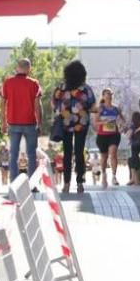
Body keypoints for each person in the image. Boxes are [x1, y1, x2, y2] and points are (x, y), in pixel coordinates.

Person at [52, 60, 96, 194]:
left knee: (67, 153)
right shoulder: (86, 89)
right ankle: (80, 183)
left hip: (65, 123)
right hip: (81, 124)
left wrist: (62, 111)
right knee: (79, 152)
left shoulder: (61, 87)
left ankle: (66, 184)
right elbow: (92, 105)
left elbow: (54, 103)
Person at [0, 58, 42, 182]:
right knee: (31, 154)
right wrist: (39, 123)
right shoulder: (34, 83)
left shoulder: (7, 83)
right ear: (29, 69)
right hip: (30, 122)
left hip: (13, 123)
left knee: (13, 154)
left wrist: (3, 122)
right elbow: (37, 105)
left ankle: (14, 182)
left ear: (17, 68)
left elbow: (2, 103)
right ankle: (33, 185)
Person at [93, 87, 125, 187]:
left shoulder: (116, 109)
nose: (109, 96)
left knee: (113, 153)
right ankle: (104, 174)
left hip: (114, 134)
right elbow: (95, 122)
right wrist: (104, 122)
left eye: (110, 94)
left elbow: (122, 119)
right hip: (102, 136)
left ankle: (114, 176)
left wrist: (120, 125)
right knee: (104, 156)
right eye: (107, 94)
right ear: (103, 96)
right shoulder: (100, 109)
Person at [128, 109, 140, 186]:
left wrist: (129, 137)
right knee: (136, 160)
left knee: (133, 160)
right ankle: (137, 179)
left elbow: (129, 135)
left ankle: (135, 179)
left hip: (134, 144)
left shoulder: (133, 125)